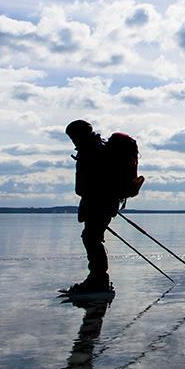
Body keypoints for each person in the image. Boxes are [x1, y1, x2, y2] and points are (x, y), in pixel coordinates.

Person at [65, 120, 120, 294]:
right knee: (91, 238)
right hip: (101, 202)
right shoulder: (97, 147)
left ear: (78, 135)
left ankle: (98, 280)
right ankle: (97, 278)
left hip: (98, 202)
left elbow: (91, 182)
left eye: (73, 137)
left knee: (91, 238)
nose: (73, 141)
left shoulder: (91, 151)